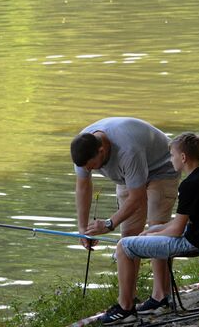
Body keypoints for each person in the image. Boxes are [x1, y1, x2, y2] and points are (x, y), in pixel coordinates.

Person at [96, 132, 199, 325]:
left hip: (197, 243)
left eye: (172, 156)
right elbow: (182, 222)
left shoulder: (189, 186)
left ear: (183, 157)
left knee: (124, 246)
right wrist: (153, 231)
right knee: (153, 230)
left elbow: (177, 230)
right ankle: (157, 298)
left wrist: (152, 235)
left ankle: (125, 308)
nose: (171, 160)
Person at [70, 117, 180, 315]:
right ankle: (127, 302)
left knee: (157, 231)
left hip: (161, 169)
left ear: (102, 151)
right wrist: (83, 228)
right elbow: (83, 186)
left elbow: (137, 197)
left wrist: (109, 224)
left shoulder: (128, 150)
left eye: (92, 167)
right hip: (127, 175)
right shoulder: (83, 149)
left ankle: (161, 295)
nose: (89, 171)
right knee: (128, 238)